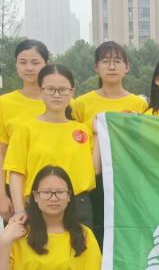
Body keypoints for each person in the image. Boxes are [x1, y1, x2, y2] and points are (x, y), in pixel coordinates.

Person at [5, 64, 99, 228]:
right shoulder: (25, 130)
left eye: (63, 90)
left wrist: (97, 134)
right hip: (39, 205)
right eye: (50, 89)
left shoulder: (83, 130)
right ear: (41, 91)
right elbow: (15, 173)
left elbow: (95, 170)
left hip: (78, 205)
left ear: (72, 92)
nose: (57, 95)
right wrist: (19, 210)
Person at [72, 41, 147, 246]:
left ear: (127, 67)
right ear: (96, 67)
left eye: (117, 61)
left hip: (126, 178)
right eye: (106, 61)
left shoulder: (139, 104)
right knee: (94, 234)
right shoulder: (81, 104)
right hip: (92, 179)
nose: (111, 66)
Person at [0, 39, 51, 224]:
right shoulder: (4, 104)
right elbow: (1, 152)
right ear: (16, 65)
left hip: (55, 189)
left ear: (46, 64)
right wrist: (1, 195)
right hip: (16, 190)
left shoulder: (62, 102)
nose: (29, 68)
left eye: (35, 62)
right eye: (23, 62)